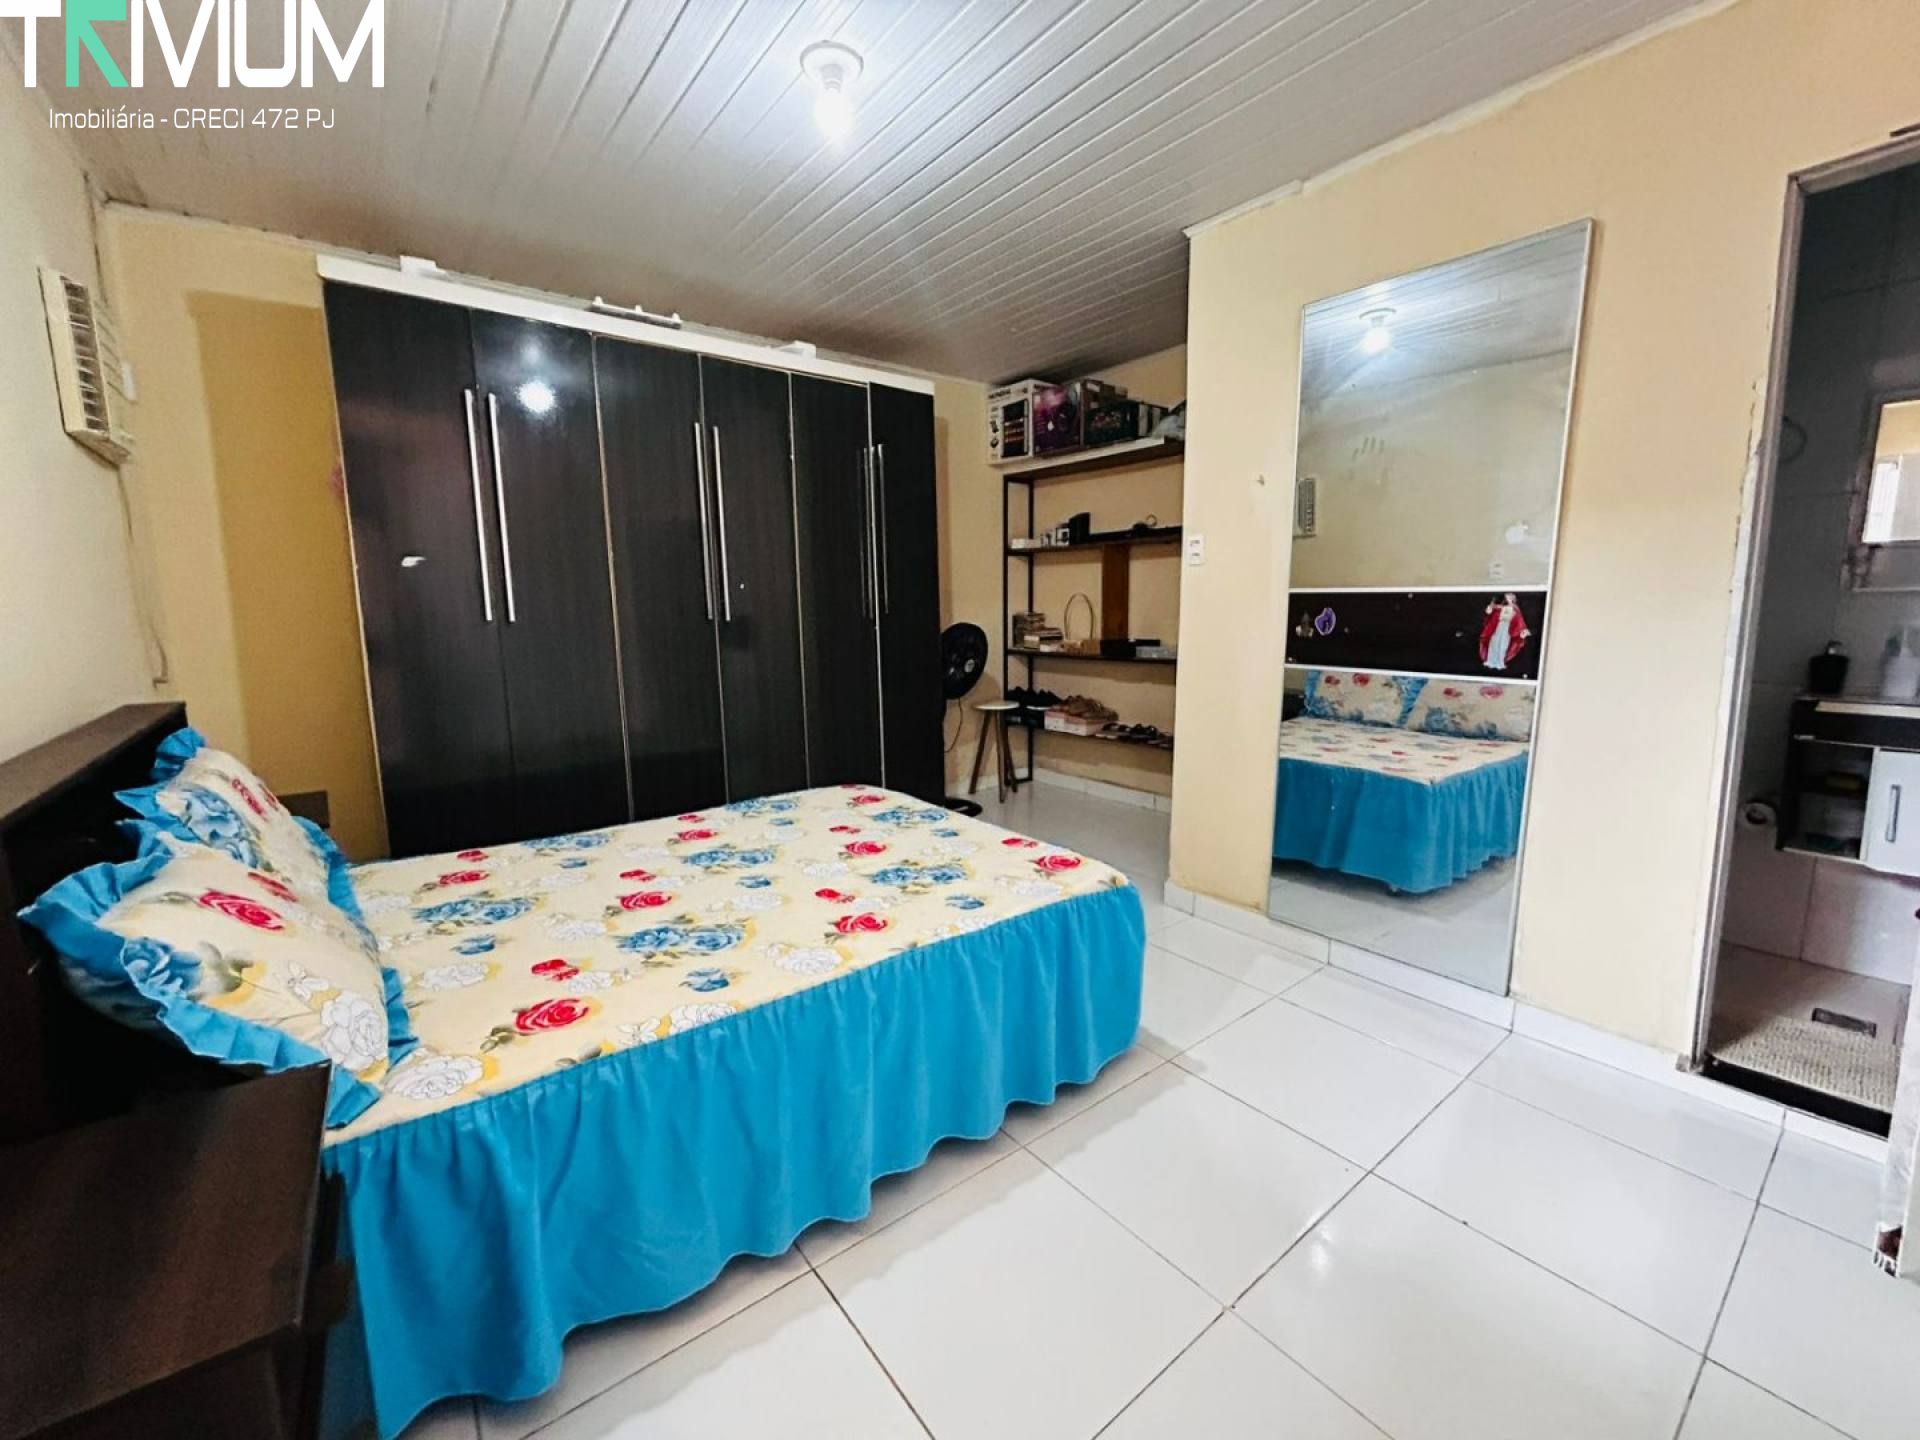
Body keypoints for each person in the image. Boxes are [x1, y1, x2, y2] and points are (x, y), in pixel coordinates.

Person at [1480, 592, 1531, 671]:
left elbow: (1519, 621)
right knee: (1494, 642)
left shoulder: (1516, 610)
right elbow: (1491, 615)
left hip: (1507, 629)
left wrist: (1523, 630)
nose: (1508, 599)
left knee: (1503, 645)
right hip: (1498, 627)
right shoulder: (1500, 607)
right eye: (1507, 598)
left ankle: (1500, 662)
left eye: (1509, 598)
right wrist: (1489, 611)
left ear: (1513, 599)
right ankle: (1490, 660)